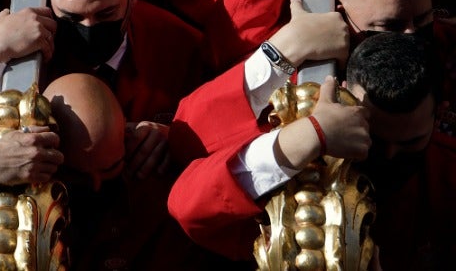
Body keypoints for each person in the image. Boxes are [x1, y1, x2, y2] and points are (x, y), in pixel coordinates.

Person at [169, 33, 452, 268]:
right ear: (344, 98)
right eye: (373, 138)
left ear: (440, 115)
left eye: (411, 143)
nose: (389, 155)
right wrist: (309, 136)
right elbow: (189, 208)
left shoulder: (448, 172)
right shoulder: (302, 161)